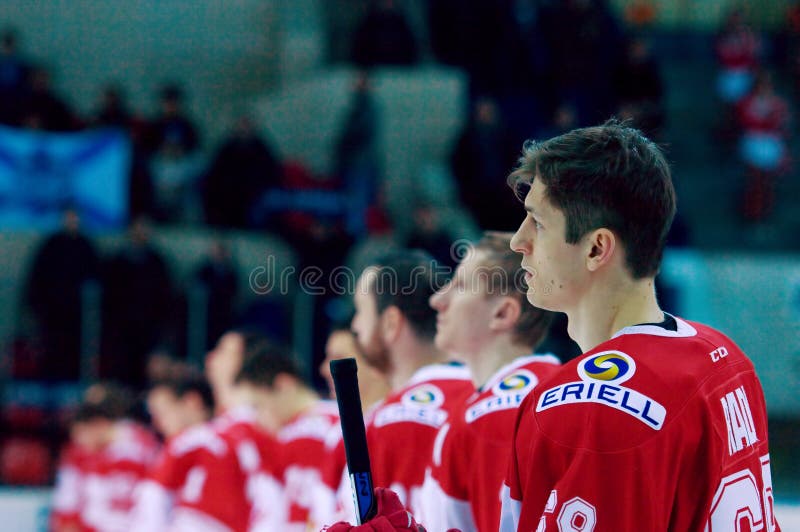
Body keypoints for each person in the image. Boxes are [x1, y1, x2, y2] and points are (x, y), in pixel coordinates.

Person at [500, 120, 781, 530]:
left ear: (597, 248)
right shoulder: (728, 361)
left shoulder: (587, 408)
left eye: (538, 223)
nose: (517, 241)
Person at [419, 232, 559, 531]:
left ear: (503, 312)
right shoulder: (562, 388)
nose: (437, 300)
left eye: (459, 286)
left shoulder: (484, 419)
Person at [337, 250, 474, 521]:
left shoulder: (377, 425)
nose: (355, 326)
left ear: (390, 323)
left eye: (361, 311)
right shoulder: (486, 400)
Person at [235, 341, 340, 531]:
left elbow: (268, 516)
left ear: (283, 385)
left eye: (258, 406)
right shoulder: (343, 420)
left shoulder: (290, 438)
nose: (257, 420)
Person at [51, 383, 159, 532]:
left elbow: (157, 496)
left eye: (81, 435)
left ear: (98, 424)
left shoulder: (144, 447)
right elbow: (66, 507)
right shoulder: (77, 455)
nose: (80, 442)